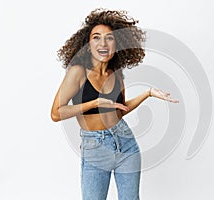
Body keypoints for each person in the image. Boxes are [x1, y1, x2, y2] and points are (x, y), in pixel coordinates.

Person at [50, 8, 179, 200]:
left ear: (116, 44)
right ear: (87, 44)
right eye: (96, 37)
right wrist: (94, 103)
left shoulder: (116, 72)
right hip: (95, 147)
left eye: (109, 38)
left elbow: (119, 111)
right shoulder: (77, 72)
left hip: (126, 144)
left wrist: (148, 93)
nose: (103, 43)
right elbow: (56, 113)